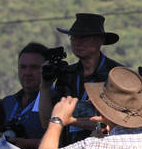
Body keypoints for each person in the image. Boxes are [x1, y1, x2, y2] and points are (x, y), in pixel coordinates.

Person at [39, 13, 122, 141]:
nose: (78, 42)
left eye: (85, 38)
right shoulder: (67, 74)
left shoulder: (117, 75)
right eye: (74, 37)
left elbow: (115, 125)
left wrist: (70, 121)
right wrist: (44, 87)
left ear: (100, 40)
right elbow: (46, 122)